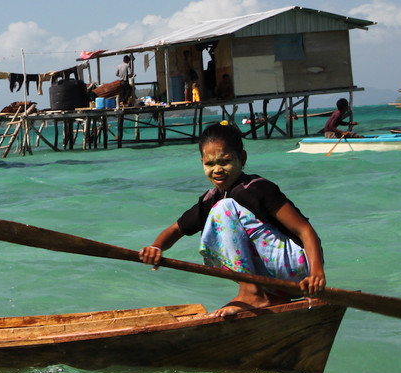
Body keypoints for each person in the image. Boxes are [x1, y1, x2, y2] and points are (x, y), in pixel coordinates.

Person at [138, 122, 326, 317]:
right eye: (209, 164)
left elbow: (305, 231)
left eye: (225, 161)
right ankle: (270, 297)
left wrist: (316, 275)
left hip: (300, 271)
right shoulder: (210, 199)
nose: (217, 170)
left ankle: (251, 293)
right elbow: (175, 230)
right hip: (278, 282)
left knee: (223, 209)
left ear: (242, 158)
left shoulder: (256, 188)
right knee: (215, 220)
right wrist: (156, 248)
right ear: (202, 162)